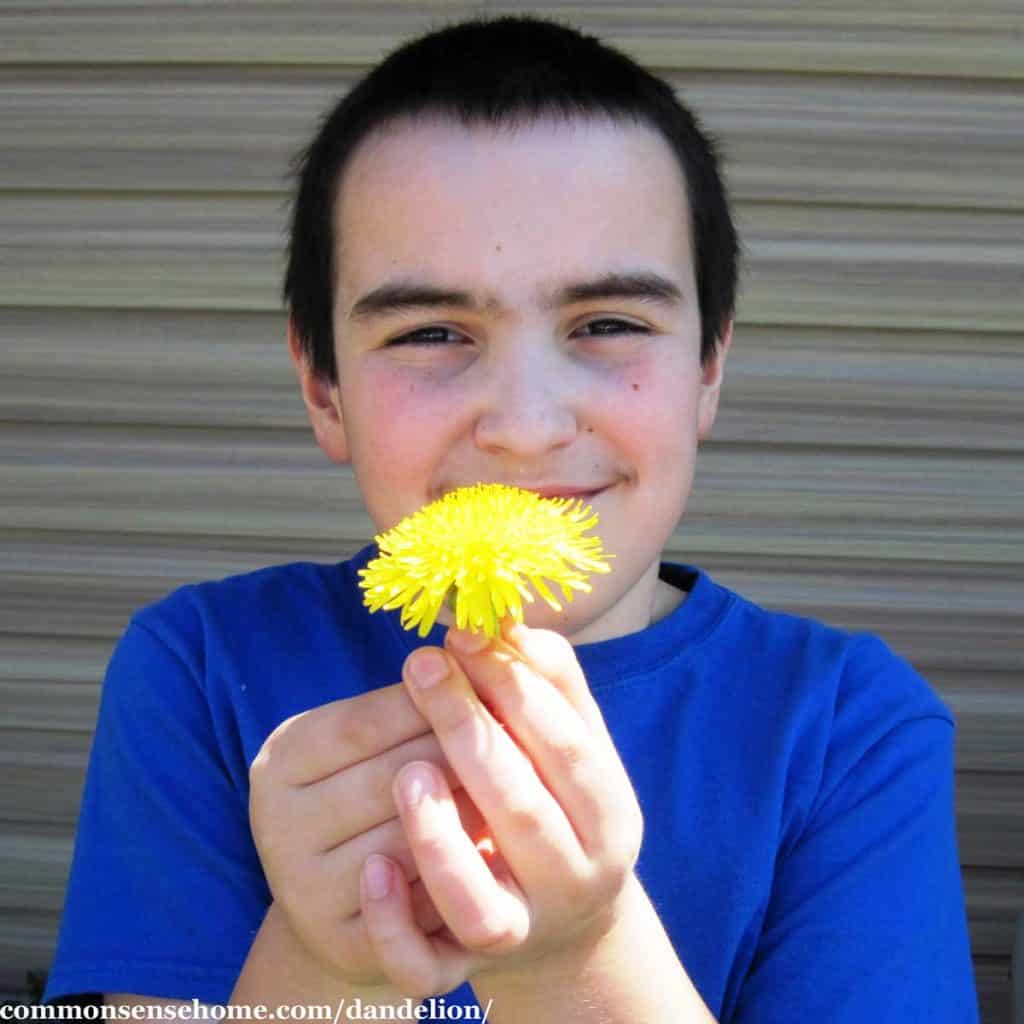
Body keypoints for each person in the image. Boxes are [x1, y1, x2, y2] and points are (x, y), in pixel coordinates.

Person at [43, 14, 979, 1021]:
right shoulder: (195, 667)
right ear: (322, 386)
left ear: (707, 366)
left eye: (608, 323)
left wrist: (579, 953)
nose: (527, 430)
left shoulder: (851, 729)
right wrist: (324, 961)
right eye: (432, 331)